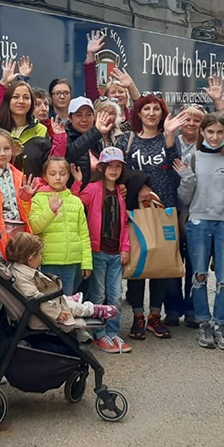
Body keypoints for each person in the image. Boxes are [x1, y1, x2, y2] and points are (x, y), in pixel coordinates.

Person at [174, 112, 224, 352]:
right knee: (198, 277)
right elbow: (184, 198)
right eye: (210, 132)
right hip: (199, 224)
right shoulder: (193, 157)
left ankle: (221, 325)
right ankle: (203, 323)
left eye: (220, 132)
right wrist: (186, 178)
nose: (215, 137)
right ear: (202, 133)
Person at [116, 94, 185, 339]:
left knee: (161, 263)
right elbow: (119, 171)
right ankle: (137, 316)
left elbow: (174, 170)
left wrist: (168, 136)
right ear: (139, 113)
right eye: (147, 108)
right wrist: (140, 185)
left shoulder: (169, 139)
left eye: (157, 108)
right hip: (135, 210)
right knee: (138, 261)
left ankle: (156, 315)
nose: (152, 113)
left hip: (164, 209)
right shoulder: (127, 139)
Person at [70, 147, 132, 353]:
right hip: (98, 251)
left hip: (116, 253)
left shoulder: (122, 192)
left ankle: (113, 334)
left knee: (115, 296)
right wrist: (78, 182)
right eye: (110, 166)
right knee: (98, 295)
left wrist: (125, 247)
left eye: (118, 167)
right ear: (102, 168)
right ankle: (99, 334)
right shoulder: (94, 188)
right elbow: (75, 204)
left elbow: (124, 223)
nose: (114, 170)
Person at [6, 233, 119, 329]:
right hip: (41, 315)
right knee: (69, 307)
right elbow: (37, 300)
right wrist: (57, 314)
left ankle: (68, 299)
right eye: (40, 255)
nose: (41, 258)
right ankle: (93, 310)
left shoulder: (17, 270)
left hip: (41, 308)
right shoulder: (22, 277)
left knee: (60, 301)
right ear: (30, 259)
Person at [27, 157, 92, 295]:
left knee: (67, 302)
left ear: (68, 175)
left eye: (62, 174)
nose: (58, 178)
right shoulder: (37, 199)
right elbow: (34, 227)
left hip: (71, 262)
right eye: (52, 174)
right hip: (47, 261)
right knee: (48, 303)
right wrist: (50, 212)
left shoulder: (75, 201)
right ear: (45, 176)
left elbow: (83, 234)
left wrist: (86, 262)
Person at [164, 106, 204, 328]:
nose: (191, 123)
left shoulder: (208, 145)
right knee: (172, 258)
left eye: (197, 120)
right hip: (173, 208)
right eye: (187, 119)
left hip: (196, 210)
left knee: (195, 262)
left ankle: (192, 307)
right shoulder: (171, 141)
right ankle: (172, 308)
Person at [0, 79, 48, 146]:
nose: (21, 101)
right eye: (15, 97)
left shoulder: (41, 130)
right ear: (7, 100)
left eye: (26, 98)